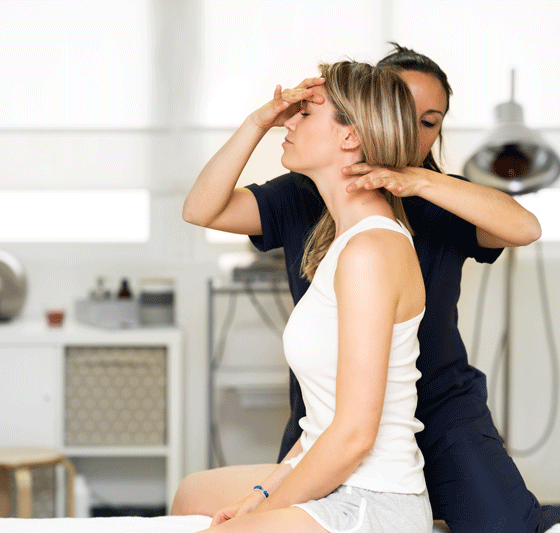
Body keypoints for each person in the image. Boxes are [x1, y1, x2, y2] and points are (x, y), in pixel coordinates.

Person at [176, 44, 560, 532]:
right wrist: (259, 121)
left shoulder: (420, 214)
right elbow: (200, 210)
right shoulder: (310, 200)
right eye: (399, 108)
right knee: (195, 495)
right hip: (331, 416)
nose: (407, 127)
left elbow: (524, 227)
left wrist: (417, 181)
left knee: (500, 521)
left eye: (428, 120)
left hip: (436, 409)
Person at [180, 60, 433, 533]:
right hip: (330, 471)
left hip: (371, 500)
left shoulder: (370, 251)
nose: (289, 121)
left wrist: (262, 511)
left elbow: (355, 436)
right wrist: (261, 494)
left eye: (305, 114)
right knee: (192, 495)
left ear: (350, 136)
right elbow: (198, 208)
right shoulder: (342, 240)